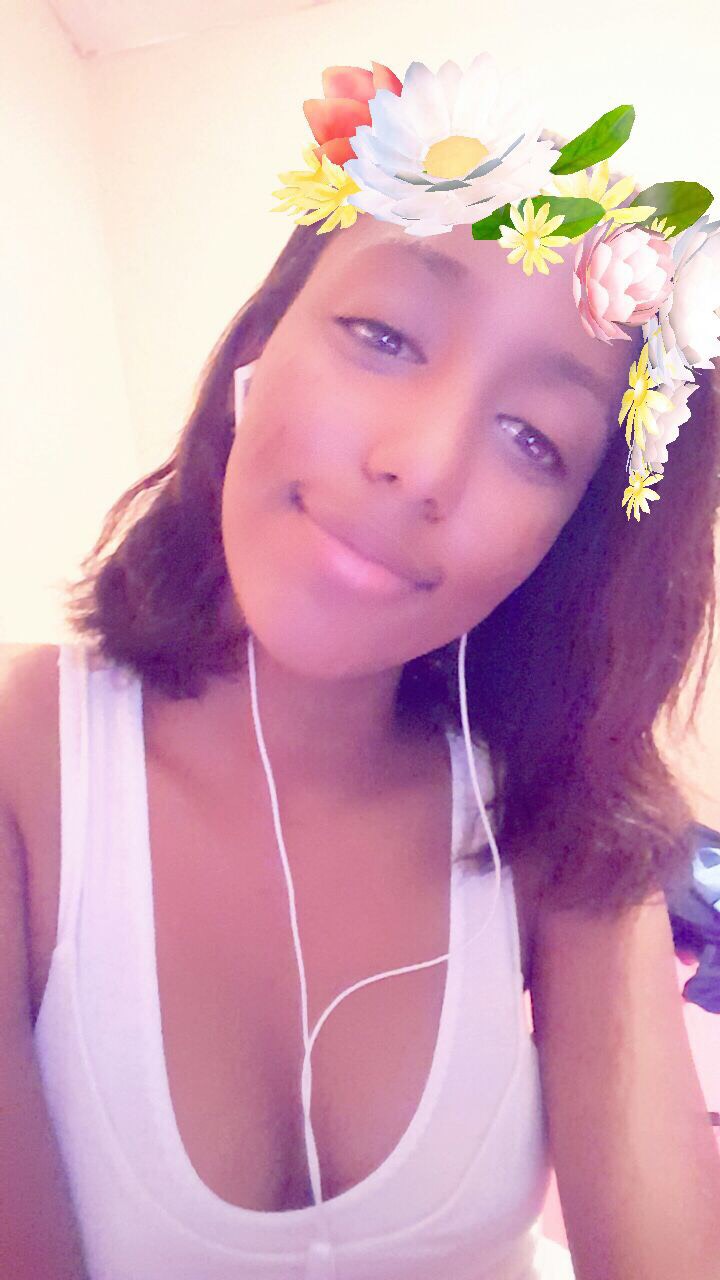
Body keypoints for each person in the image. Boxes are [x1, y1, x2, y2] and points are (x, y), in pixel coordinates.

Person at [2, 52, 720, 1280]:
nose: (423, 465)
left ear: (563, 543)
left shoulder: (553, 816)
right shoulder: (26, 761)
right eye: (382, 334)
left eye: (532, 438)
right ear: (260, 343)